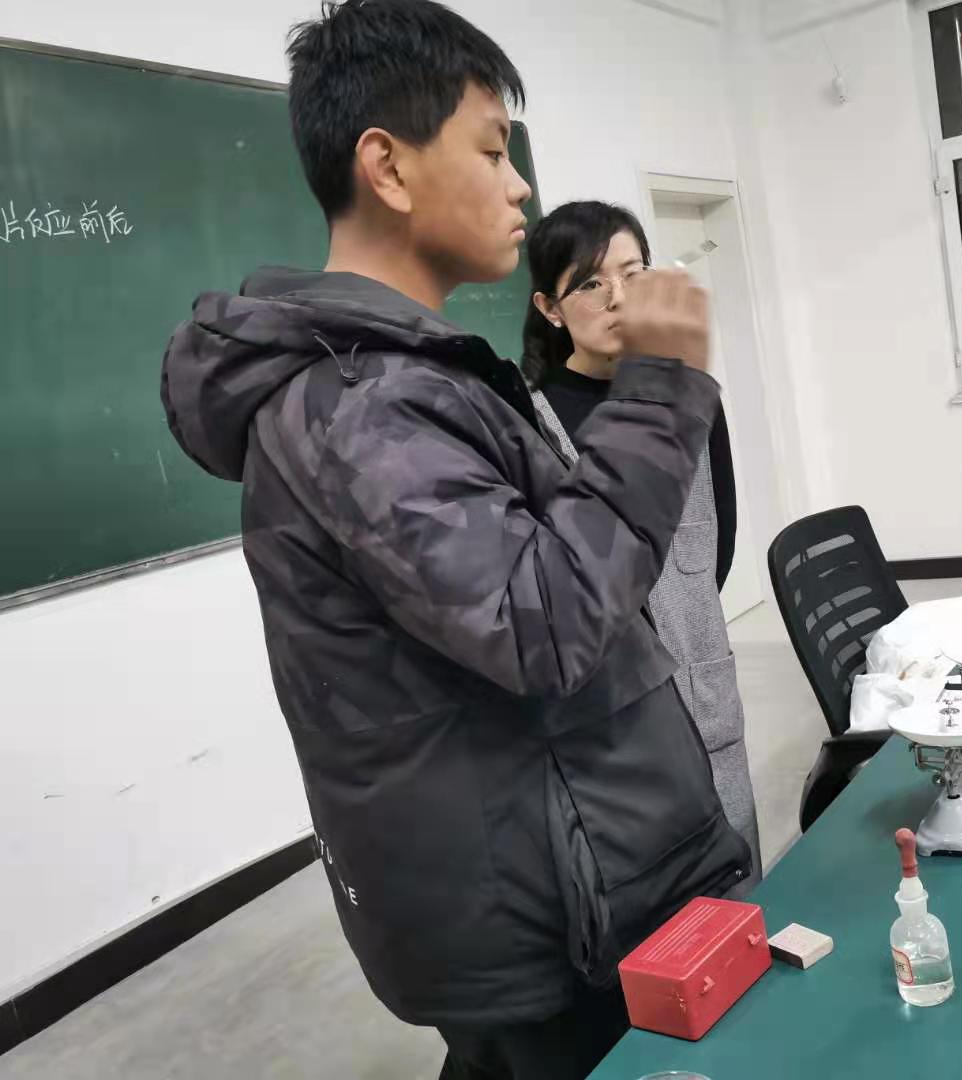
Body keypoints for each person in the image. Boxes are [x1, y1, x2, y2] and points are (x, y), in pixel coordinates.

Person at [158, 2, 752, 1078]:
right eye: (491, 150)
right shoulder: (358, 406)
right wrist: (663, 389)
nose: (520, 185)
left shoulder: (412, 376)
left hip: (562, 873)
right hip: (543, 911)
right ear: (387, 166)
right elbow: (547, 622)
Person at [523, 202, 762, 887]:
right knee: (661, 908)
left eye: (633, 273)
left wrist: (683, 616)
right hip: (611, 722)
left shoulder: (691, 399)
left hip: (702, 681)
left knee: (741, 884)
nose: (619, 296)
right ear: (550, 308)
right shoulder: (532, 420)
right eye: (591, 283)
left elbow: (716, 544)